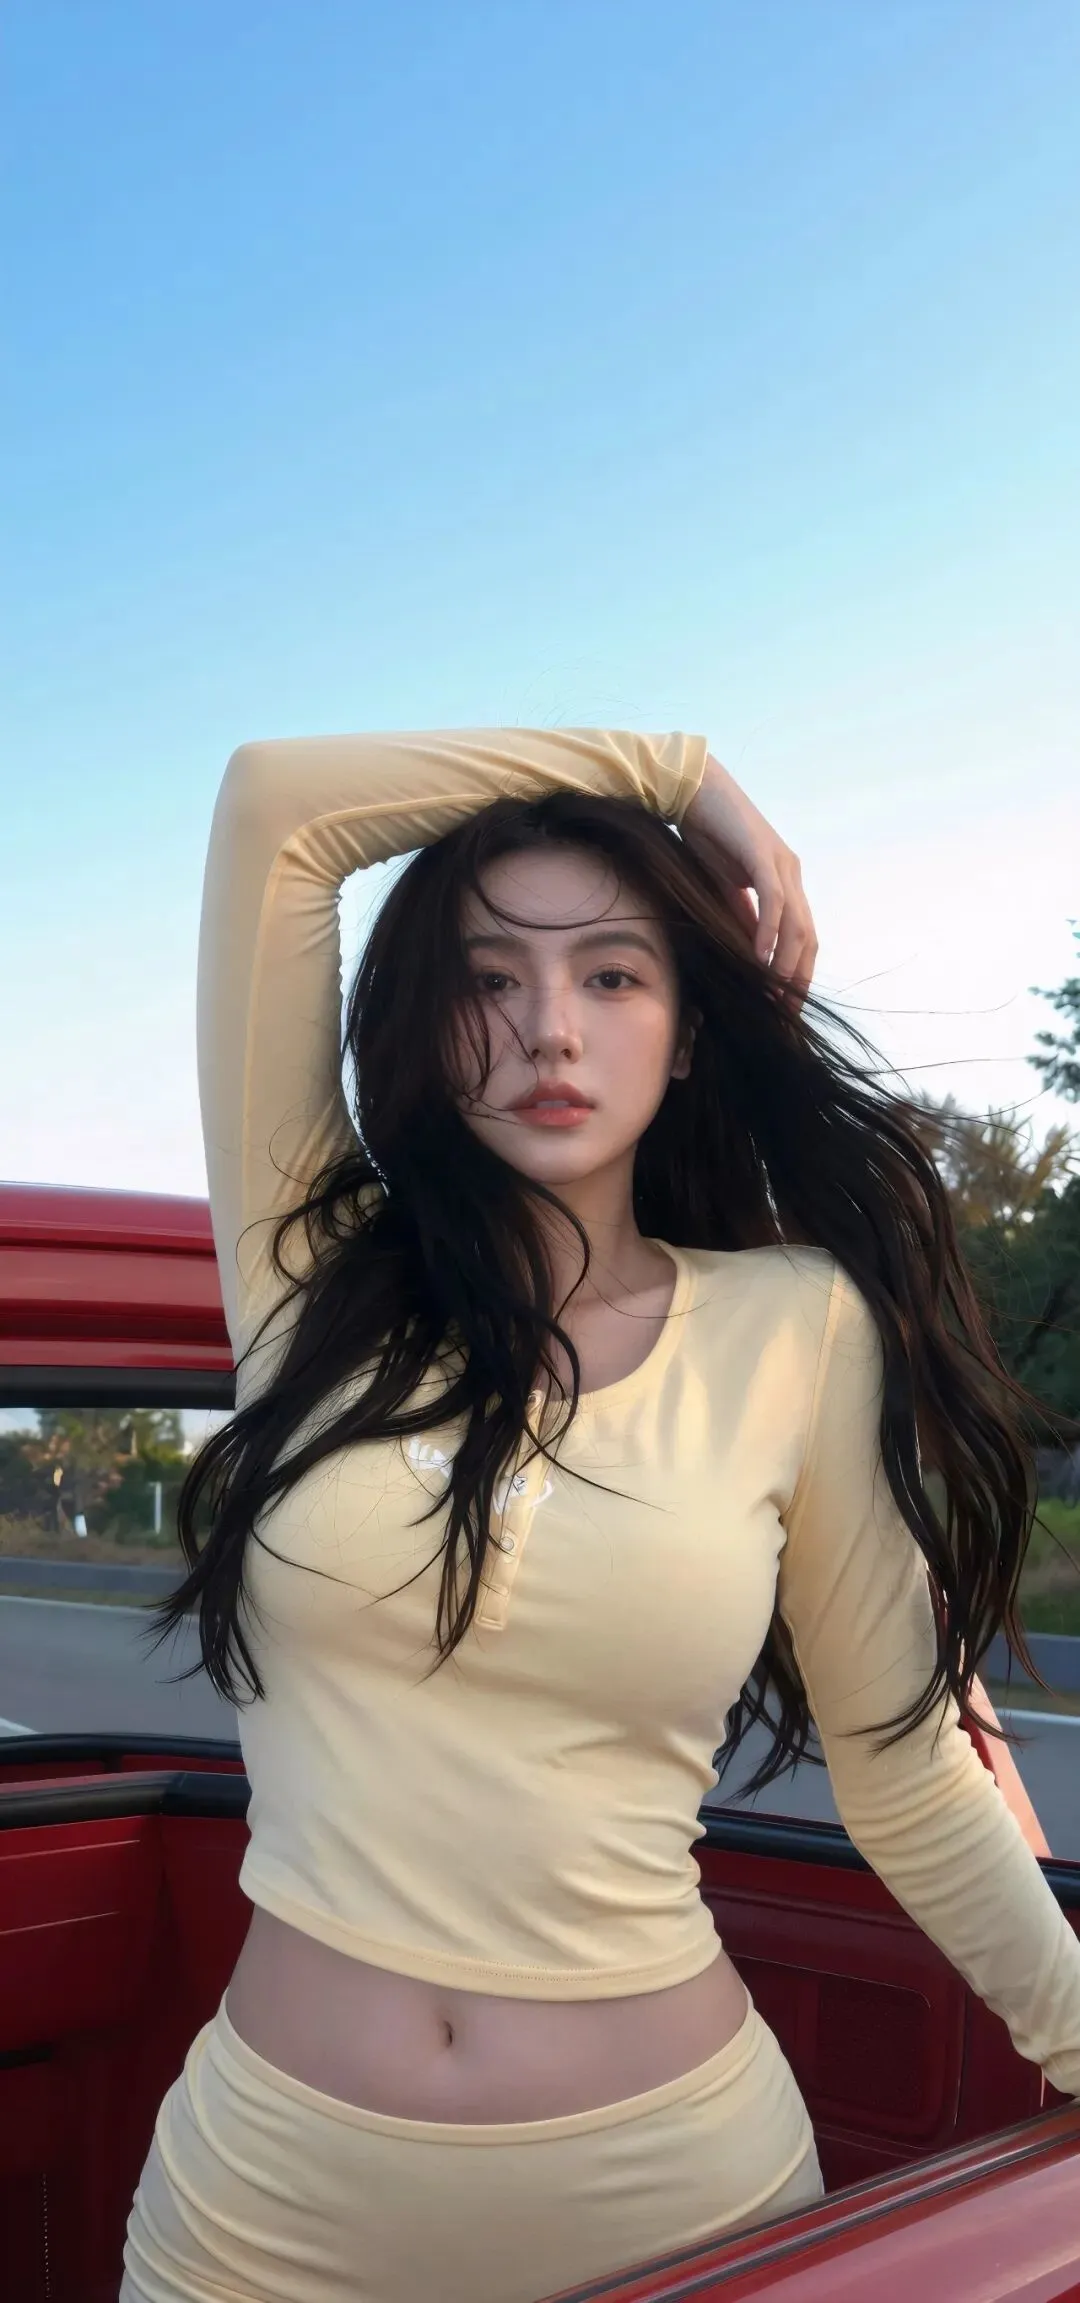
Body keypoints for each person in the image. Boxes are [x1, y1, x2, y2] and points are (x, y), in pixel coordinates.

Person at [122, 728, 1080, 2303]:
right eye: (489, 977)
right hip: (263, 2213)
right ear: (431, 1023)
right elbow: (276, 811)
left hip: (678, 2194)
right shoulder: (306, 1272)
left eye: (613, 974)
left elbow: (904, 1771)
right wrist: (678, 771)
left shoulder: (795, 1326)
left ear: (689, 1031)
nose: (548, 1027)